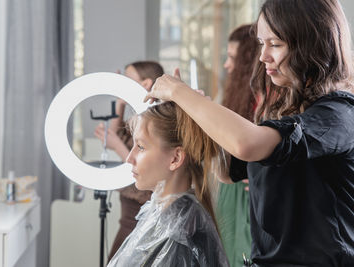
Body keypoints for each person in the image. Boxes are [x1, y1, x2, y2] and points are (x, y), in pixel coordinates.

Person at [145, 0, 354, 266]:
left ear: (312, 44)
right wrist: (196, 116)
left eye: (275, 45)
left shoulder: (339, 115)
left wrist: (180, 93)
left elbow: (246, 144)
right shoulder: (284, 111)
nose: (263, 56)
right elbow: (228, 169)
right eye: (261, 44)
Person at [107, 101, 229, 267]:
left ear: (175, 158)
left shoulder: (179, 233)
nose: (129, 158)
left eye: (141, 147)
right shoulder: (170, 217)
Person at [94, 61, 164, 261]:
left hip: (142, 206)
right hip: (128, 206)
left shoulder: (156, 121)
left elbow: (143, 162)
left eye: (127, 80)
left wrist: (117, 145)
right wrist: (120, 102)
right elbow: (112, 134)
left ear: (146, 84)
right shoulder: (136, 119)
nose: (122, 83)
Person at [216, 23, 257, 267]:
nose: (226, 65)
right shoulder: (238, 98)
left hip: (249, 195)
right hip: (233, 190)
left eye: (232, 58)